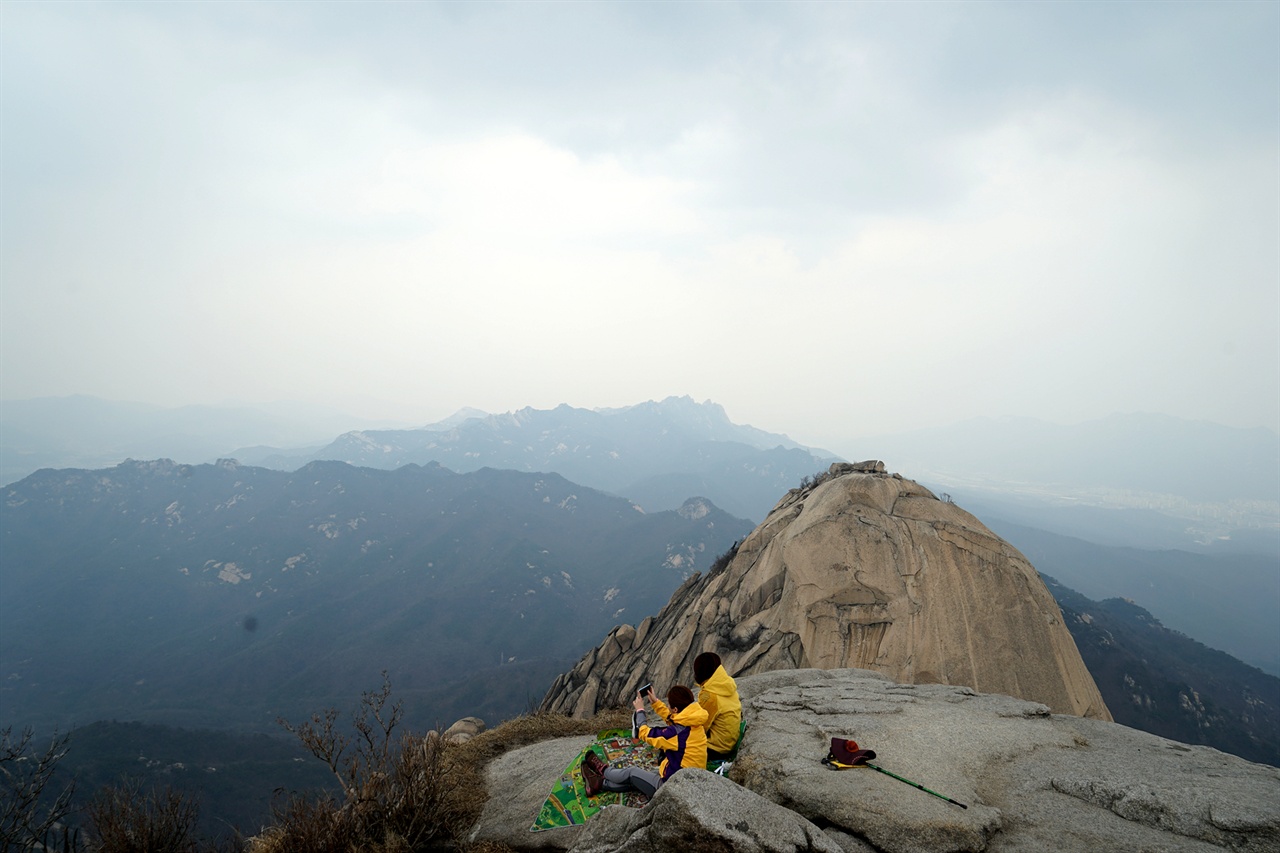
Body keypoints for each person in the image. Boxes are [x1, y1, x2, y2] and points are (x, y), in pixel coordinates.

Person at [582, 684, 708, 799]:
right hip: (688, 779)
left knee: (632, 773)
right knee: (640, 779)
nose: (668, 707)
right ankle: (598, 783)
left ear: (675, 709)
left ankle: (603, 770)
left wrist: (640, 711)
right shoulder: (694, 722)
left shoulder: (676, 734)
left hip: (673, 788)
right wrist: (656, 703)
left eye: (669, 705)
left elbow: (646, 734)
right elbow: (676, 720)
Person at [693, 651, 742, 762]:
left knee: (675, 744)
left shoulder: (710, 696)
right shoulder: (725, 684)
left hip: (716, 749)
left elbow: (700, 726)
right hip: (729, 742)